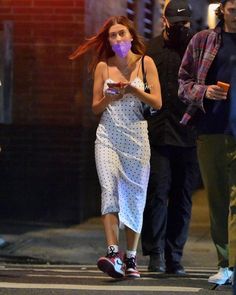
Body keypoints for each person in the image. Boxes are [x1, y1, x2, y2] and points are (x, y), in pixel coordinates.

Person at [70, 16, 162, 279]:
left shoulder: (146, 63)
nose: (118, 39)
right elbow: (95, 107)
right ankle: (113, 254)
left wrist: (133, 91)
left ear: (131, 36)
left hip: (136, 137)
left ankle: (131, 259)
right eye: (113, 35)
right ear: (109, 41)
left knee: (135, 196)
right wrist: (111, 97)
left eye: (122, 34)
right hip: (108, 135)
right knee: (109, 189)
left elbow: (157, 102)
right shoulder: (103, 66)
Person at [178, 0, 236, 285]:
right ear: (223, 9)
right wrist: (204, 91)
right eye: (234, 8)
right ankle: (225, 264)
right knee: (218, 201)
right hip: (211, 130)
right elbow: (183, 82)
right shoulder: (203, 40)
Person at [141, 0, 199, 276]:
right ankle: (156, 254)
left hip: (190, 134)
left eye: (185, 24)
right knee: (157, 194)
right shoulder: (149, 50)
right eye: (175, 24)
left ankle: (174, 255)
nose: (180, 28)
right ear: (164, 21)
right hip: (157, 133)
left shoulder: (198, 49)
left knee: (182, 197)